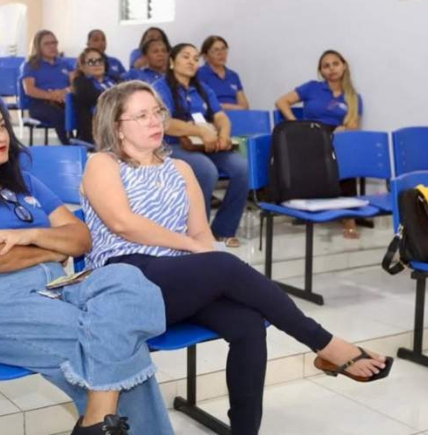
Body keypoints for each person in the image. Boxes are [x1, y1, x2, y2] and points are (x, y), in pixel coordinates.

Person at [80, 80, 393, 435]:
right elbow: (124, 224)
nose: (155, 121)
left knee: (247, 324)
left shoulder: (180, 170)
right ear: (116, 127)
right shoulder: (102, 164)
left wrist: (199, 251)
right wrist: (195, 249)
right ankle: (327, 345)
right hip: (126, 279)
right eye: (141, 115)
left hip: (178, 281)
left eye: (157, 112)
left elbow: (201, 233)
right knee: (223, 264)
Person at [0, 89, 174, 435]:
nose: (0, 136)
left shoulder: (25, 182)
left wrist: (29, 236)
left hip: (58, 285)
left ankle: (96, 420)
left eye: (1, 126)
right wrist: (54, 248)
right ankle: (99, 423)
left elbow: (82, 238)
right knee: (115, 342)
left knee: (128, 281)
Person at [152, 43, 248, 247]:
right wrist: (200, 131)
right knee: (206, 171)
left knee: (242, 167)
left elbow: (221, 116)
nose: (192, 62)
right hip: (172, 146)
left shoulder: (202, 89)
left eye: (196, 58)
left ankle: (223, 230)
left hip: (205, 145)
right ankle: (199, 232)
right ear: (171, 62)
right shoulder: (161, 88)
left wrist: (223, 135)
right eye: (186, 57)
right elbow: (166, 123)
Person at [275, 49, 364, 238]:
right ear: (321, 71)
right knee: (331, 152)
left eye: (335, 64)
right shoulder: (312, 87)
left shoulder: (353, 97)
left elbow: (353, 126)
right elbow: (282, 102)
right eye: (326, 66)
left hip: (336, 139)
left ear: (344, 66)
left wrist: (341, 130)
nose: (331, 69)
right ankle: (313, 209)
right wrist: (296, 124)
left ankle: (349, 219)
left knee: (345, 155)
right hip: (310, 135)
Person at [20, 30, 72, 145]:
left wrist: (64, 92)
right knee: (60, 115)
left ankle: (85, 143)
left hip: (64, 100)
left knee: (84, 110)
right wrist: (51, 96)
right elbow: (29, 89)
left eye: (54, 43)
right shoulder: (30, 65)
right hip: (40, 104)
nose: (52, 46)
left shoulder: (64, 63)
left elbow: (75, 84)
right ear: (38, 46)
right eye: (47, 44)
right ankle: (69, 146)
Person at [72, 48, 116, 143]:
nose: (97, 64)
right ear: (83, 67)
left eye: (100, 61)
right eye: (91, 62)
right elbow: (93, 98)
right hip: (95, 129)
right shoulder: (81, 83)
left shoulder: (115, 80)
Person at [197, 36, 249, 110]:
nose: (221, 53)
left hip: (236, 115)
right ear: (205, 56)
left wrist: (227, 107)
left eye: (223, 49)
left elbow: (244, 106)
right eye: (215, 50)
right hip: (213, 116)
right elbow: (203, 103)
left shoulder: (233, 76)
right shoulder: (200, 73)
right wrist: (228, 107)